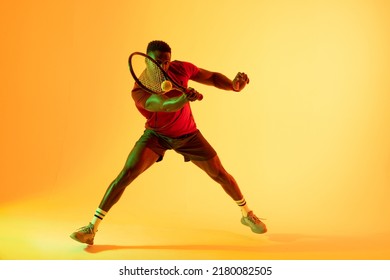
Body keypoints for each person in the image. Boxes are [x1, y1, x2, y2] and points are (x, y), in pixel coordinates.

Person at [70, 40, 267, 245]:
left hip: (188, 135)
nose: (163, 67)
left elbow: (211, 77)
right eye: (158, 62)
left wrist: (233, 86)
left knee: (220, 173)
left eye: (166, 62)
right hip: (157, 136)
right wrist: (184, 98)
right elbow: (165, 105)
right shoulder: (139, 90)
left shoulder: (180, 68)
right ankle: (91, 228)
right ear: (147, 61)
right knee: (126, 174)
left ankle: (247, 214)